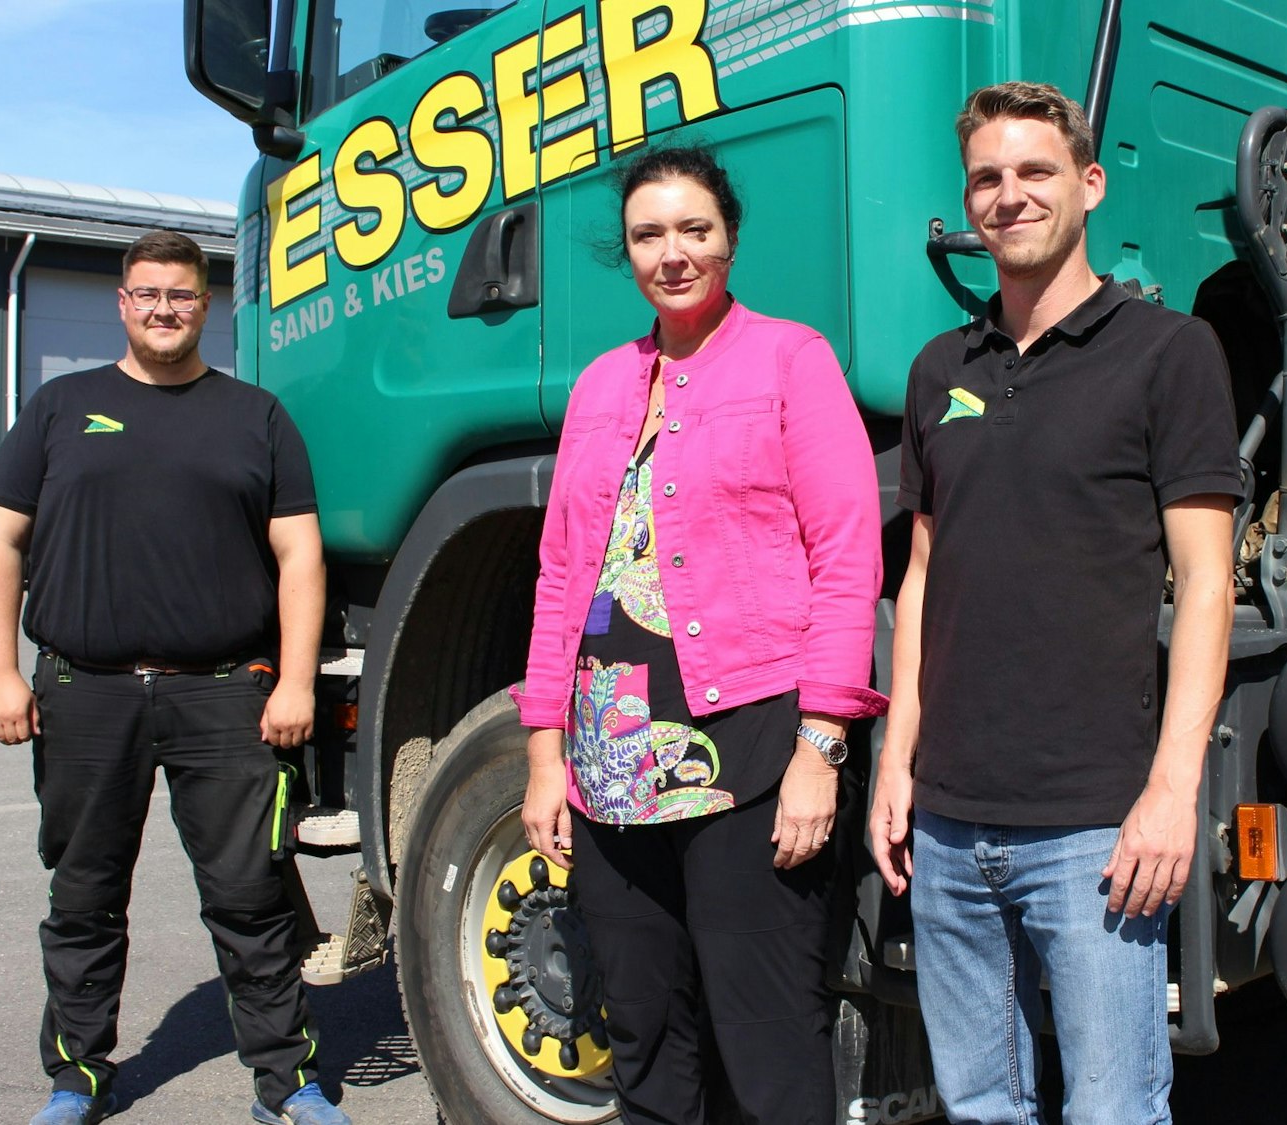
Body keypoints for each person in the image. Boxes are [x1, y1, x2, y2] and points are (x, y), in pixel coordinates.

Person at [868, 82, 1242, 1124]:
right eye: (986, 177)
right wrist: (895, 762)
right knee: (979, 1107)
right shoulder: (941, 367)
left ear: (1088, 185)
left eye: (1033, 172)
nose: (1008, 195)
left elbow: (1205, 582)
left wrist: (1171, 790)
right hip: (944, 820)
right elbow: (922, 573)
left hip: (1092, 825)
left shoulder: (1167, 353)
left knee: (1111, 1112)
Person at [512, 145, 886, 1124]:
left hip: (746, 751)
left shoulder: (787, 359)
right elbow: (562, 576)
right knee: (643, 1034)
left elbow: (845, 555)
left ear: (728, 238)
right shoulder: (599, 385)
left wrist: (820, 749)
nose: (671, 253)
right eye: (647, 235)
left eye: (693, 230)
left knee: (764, 1036)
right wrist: (546, 753)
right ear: (625, 250)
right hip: (607, 764)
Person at [0, 230, 352, 1125]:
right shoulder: (63, 406)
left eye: (181, 295)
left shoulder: (254, 415)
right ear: (123, 302)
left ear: (204, 306)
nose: (164, 310)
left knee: (250, 898)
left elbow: (299, 555)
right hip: (85, 691)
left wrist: (296, 681)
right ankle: (77, 1075)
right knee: (84, 895)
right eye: (147, 294)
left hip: (224, 691)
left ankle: (286, 1081)